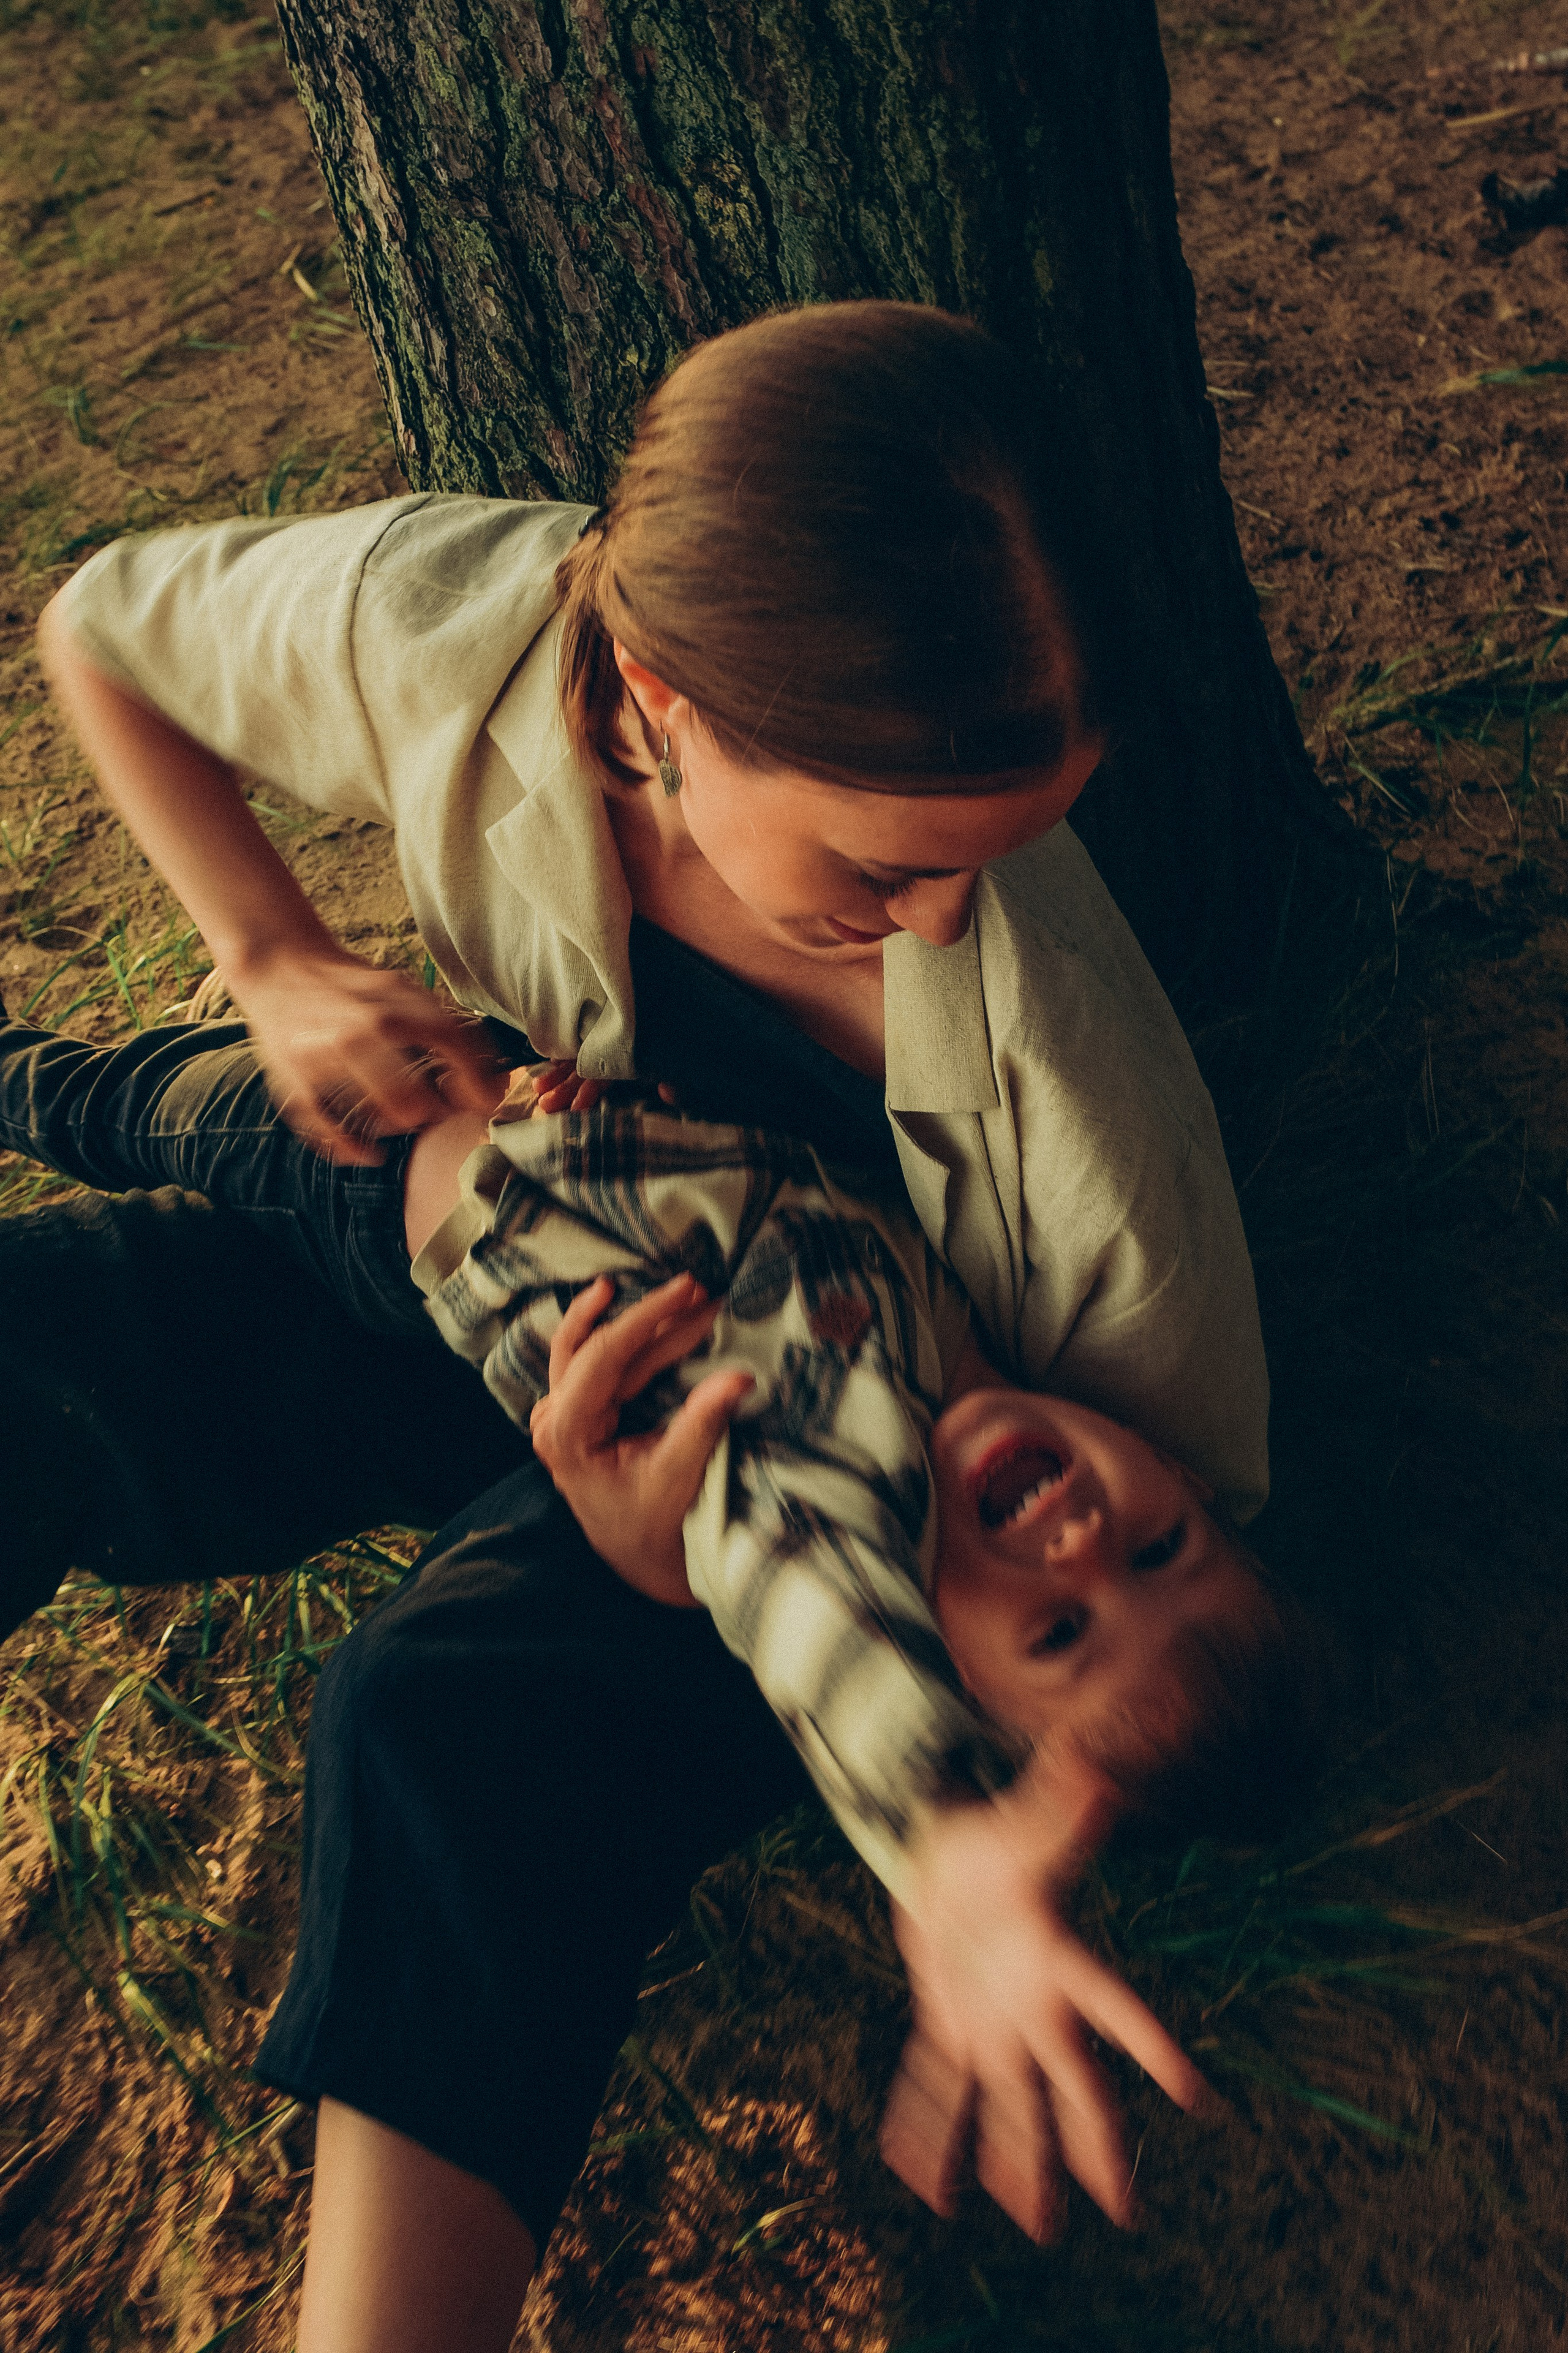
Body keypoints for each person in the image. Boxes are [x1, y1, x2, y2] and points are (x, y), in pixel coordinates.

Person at [7, 299, 1272, 2349]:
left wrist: (710, 1605)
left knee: (437, 1716)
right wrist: (274, 956)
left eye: (1001, 862)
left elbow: (1112, 1573)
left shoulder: (1095, 1150)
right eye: (889, 870)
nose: (955, 920)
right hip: (514, 1212)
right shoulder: (466, 623)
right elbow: (104, 631)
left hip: (788, 1469)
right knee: (64, 1322)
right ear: (659, 706)